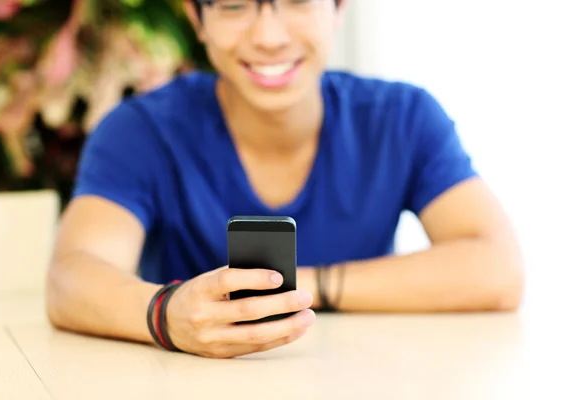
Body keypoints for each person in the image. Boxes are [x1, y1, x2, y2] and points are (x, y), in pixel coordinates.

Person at [46, 0, 525, 359]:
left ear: (338, 8)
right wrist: (168, 314)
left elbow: (497, 268)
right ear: (197, 19)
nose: (269, 36)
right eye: (234, 5)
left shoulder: (402, 118)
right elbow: (72, 277)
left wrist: (302, 288)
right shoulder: (140, 131)